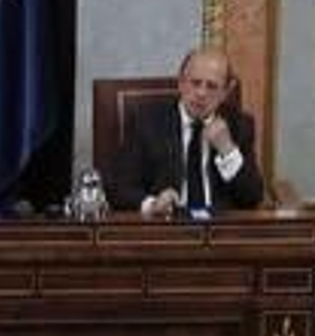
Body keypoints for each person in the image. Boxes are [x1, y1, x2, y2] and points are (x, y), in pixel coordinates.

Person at [109, 47, 265, 215]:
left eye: (212, 86)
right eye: (195, 83)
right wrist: (153, 204)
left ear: (225, 92)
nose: (201, 93)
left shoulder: (239, 125)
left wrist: (227, 150)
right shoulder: (146, 122)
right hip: (168, 227)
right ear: (181, 83)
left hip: (220, 227)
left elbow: (252, 198)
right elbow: (119, 188)